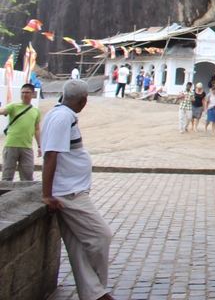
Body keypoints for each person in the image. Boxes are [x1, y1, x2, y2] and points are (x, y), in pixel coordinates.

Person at [41, 80, 116, 300]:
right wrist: (47, 194)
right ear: (83, 101)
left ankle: (94, 294)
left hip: (70, 188)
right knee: (101, 236)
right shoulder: (62, 117)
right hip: (68, 192)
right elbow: (50, 155)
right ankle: (98, 288)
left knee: (76, 244)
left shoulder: (62, 115)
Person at [1, 83, 42, 181]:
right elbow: (2, 111)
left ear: (33, 94)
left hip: (26, 146)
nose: (24, 95)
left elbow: (37, 129)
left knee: (27, 175)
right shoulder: (13, 106)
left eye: (27, 92)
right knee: (7, 175)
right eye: (23, 92)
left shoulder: (35, 111)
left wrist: (40, 146)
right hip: (11, 145)